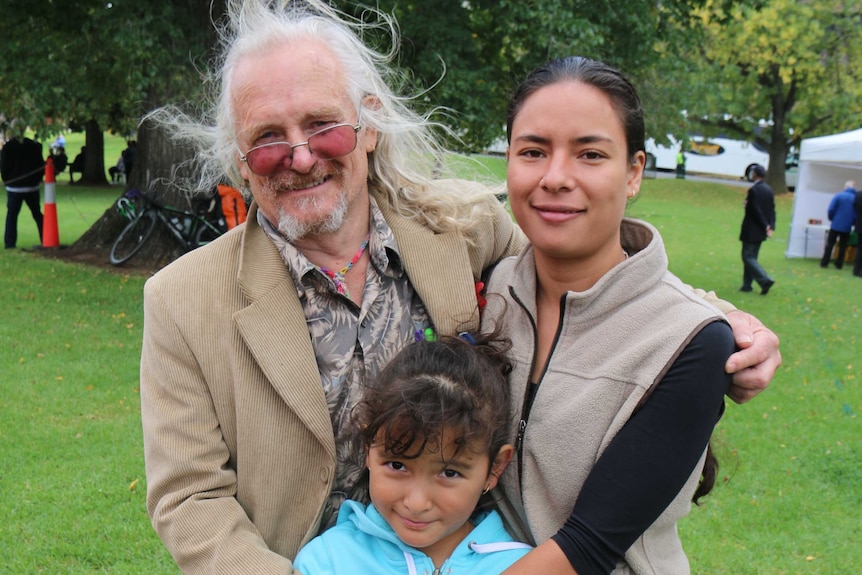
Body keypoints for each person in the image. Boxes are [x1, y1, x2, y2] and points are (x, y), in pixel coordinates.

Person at [139, 2, 780, 573]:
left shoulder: (461, 226)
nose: (301, 156)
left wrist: (720, 318)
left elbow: (587, 270)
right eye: (267, 139)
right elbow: (188, 497)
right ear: (238, 158)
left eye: (322, 125)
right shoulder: (183, 298)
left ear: (368, 124)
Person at [482, 55, 734, 575]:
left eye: (590, 154)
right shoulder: (491, 289)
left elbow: (588, 546)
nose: (554, 178)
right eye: (532, 151)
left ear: (634, 172)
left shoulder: (692, 342)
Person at [293, 333, 532, 574]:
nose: (416, 504)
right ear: (368, 446)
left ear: (495, 468)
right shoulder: (328, 561)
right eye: (397, 466)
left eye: (449, 473)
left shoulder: (524, 567)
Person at [1, 133, 44, 249]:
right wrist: (37, 179)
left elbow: (4, 167)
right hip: (31, 186)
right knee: (37, 214)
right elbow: (40, 165)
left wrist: (8, 181)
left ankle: (9, 243)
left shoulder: (8, 147)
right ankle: (45, 238)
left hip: (14, 187)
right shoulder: (33, 146)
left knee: (12, 216)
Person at [739, 164, 776, 294]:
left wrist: (765, 224)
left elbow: (755, 210)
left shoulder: (754, 190)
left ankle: (764, 279)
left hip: (752, 229)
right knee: (752, 257)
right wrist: (770, 225)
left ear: (755, 174)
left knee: (747, 256)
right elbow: (771, 210)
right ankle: (747, 285)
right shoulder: (768, 190)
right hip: (761, 230)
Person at [819, 180, 857, 270]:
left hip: (836, 224)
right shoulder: (855, 198)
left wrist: (832, 218)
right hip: (847, 226)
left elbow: (831, 209)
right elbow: (856, 213)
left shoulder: (839, 195)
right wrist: (852, 222)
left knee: (830, 244)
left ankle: (825, 262)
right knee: (843, 246)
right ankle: (839, 263)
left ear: (846, 187)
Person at [854, 186, 862, 278]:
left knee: (859, 248)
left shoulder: (858, 194)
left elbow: (855, 207)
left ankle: (856, 269)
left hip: (860, 224)